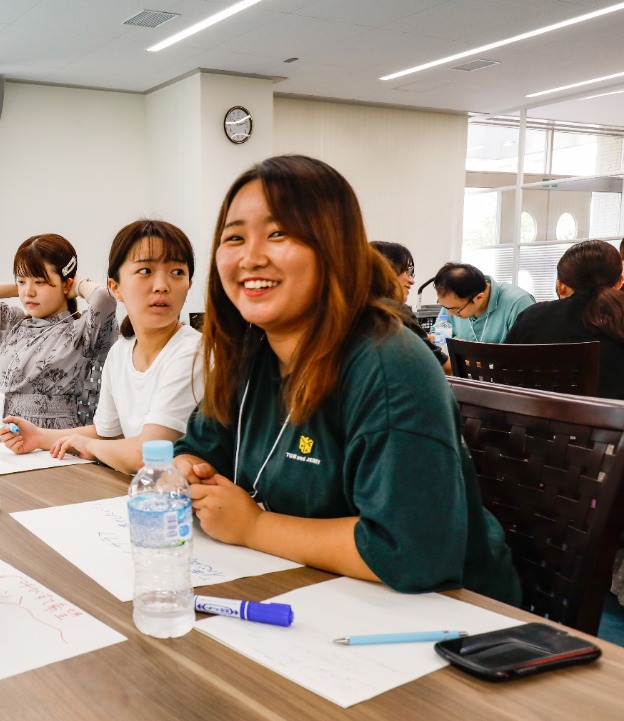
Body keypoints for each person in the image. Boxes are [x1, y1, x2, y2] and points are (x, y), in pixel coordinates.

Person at [172, 154, 520, 604]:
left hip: (447, 621)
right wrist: (187, 472)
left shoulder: (387, 362)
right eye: (234, 237)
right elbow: (197, 450)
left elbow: (411, 551)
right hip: (306, 591)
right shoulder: (251, 352)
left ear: (334, 246)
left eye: (278, 233)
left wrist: (253, 526)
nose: (251, 257)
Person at [0, 220, 201, 474]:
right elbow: (108, 434)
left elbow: (145, 455)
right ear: (115, 287)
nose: (162, 285)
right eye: (145, 271)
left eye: (177, 272)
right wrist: (38, 437)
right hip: (139, 491)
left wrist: (88, 446)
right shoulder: (121, 351)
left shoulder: (192, 352)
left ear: (189, 285)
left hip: (181, 502)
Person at [0, 233, 118, 428]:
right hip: (5, 434)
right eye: (21, 281)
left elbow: (105, 299)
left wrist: (78, 286)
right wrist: (21, 287)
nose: (29, 292)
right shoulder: (12, 323)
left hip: (54, 443)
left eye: (40, 282)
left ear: (67, 283)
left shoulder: (80, 332)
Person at [505, 238, 624, 399]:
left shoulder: (530, 316)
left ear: (561, 285)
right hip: (611, 421)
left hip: (537, 419)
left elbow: (506, 373)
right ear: (619, 283)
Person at [370, 240, 450, 373]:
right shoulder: (394, 310)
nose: (411, 280)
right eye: (406, 271)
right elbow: (439, 365)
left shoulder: (353, 307)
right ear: (386, 271)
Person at [420, 262, 535, 344]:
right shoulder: (451, 304)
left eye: (456, 310)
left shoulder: (518, 303)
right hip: (463, 375)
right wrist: (431, 338)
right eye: (444, 306)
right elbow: (441, 335)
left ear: (478, 298)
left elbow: (524, 354)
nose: (449, 313)